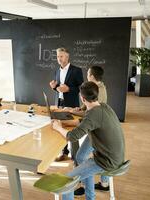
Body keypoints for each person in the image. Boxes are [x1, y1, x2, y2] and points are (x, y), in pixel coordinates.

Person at [52, 81, 125, 200]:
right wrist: (63, 123)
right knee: (82, 159)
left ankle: (90, 196)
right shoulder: (104, 106)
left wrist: (58, 128)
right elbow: (85, 121)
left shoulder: (93, 114)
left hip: (106, 161)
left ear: (82, 98)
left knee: (67, 181)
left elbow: (72, 136)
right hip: (115, 157)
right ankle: (90, 197)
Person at [62, 66, 109, 196]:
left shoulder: (99, 91)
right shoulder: (98, 88)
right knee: (91, 154)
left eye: (88, 74)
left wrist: (62, 124)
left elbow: (91, 115)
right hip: (103, 137)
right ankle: (101, 184)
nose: (87, 76)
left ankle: (83, 184)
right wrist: (79, 109)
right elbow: (90, 108)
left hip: (98, 133)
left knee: (81, 156)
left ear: (92, 76)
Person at [49, 47, 84, 162]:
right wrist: (55, 87)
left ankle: (76, 157)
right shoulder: (57, 71)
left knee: (72, 128)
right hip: (59, 103)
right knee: (60, 126)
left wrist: (69, 89)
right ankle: (64, 153)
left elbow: (81, 88)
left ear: (67, 57)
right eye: (58, 56)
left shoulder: (76, 70)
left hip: (72, 104)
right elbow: (59, 89)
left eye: (61, 56)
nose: (59, 58)